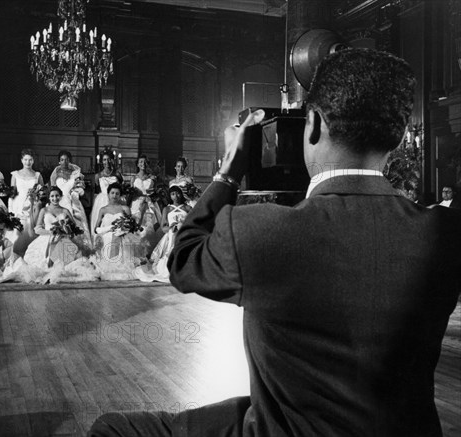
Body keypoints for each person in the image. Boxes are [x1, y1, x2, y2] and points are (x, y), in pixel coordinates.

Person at [88, 49, 461, 436]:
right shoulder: (446, 233)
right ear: (399, 137)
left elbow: (183, 259)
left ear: (313, 124)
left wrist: (229, 172)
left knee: (111, 429)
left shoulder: (264, 231)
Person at [134, 185, 191, 283]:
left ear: (181, 194)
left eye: (177, 193)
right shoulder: (167, 209)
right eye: (173, 194)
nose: (176, 196)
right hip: (171, 234)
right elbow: (163, 226)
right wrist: (171, 228)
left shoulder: (188, 208)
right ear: (170, 196)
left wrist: (183, 226)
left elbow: (194, 222)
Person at [93, 182, 144, 281]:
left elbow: (131, 225)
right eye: (112, 193)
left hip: (122, 236)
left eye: (117, 193)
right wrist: (109, 229)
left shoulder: (125, 208)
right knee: (107, 240)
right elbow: (96, 228)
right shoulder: (103, 210)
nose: (114, 196)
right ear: (108, 194)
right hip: (107, 237)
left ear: (120, 195)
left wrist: (123, 228)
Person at [50, 150, 92, 251]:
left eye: (66, 160)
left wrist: (77, 192)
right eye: (62, 160)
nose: (64, 162)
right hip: (59, 201)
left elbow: (80, 186)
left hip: (73, 200)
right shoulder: (56, 172)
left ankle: (78, 247)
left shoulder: (75, 172)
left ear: (70, 160)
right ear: (59, 161)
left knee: (76, 222)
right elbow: (53, 188)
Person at [8, 148, 44, 254]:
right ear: (21, 160)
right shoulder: (15, 175)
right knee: (18, 231)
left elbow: (42, 194)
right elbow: (12, 194)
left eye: (30, 160)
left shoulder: (37, 175)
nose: (28, 162)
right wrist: (11, 212)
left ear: (33, 161)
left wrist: (36, 201)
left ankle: (30, 256)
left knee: (31, 230)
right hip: (18, 205)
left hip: (32, 206)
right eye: (25, 159)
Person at [130, 154, 163, 255]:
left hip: (149, 203)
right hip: (137, 203)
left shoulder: (152, 178)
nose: (142, 164)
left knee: (149, 227)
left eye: (144, 162)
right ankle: (136, 252)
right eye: (140, 162)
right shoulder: (133, 178)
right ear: (137, 164)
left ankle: (148, 252)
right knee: (137, 226)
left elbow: (156, 192)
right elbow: (131, 193)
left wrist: (152, 197)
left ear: (147, 164)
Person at [90, 150, 123, 241]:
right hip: (102, 200)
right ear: (101, 161)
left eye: (109, 159)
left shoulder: (117, 174)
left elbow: (120, 188)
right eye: (104, 160)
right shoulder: (98, 175)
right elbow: (96, 191)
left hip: (116, 199)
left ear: (112, 160)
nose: (106, 162)